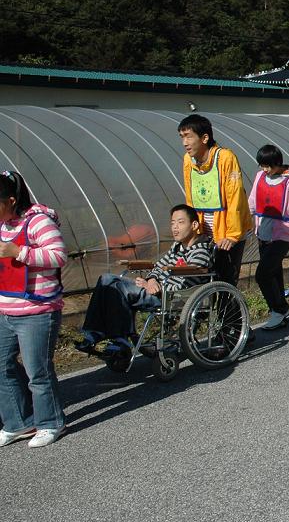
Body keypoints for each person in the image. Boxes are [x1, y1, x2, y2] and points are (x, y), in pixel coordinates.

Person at [77, 204, 214, 352]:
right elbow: (157, 266)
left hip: (171, 296)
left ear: (194, 225)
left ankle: (119, 338)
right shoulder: (177, 247)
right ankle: (94, 332)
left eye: (180, 222)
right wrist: (151, 280)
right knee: (106, 279)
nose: (175, 227)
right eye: (172, 223)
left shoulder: (200, 251)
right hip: (157, 289)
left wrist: (157, 288)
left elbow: (186, 284)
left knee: (117, 288)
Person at [0, 170, 67, 448]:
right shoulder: (3, 225)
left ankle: (51, 423)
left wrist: (19, 252)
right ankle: (19, 422)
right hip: (6, 310)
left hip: (37, 311)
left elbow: (59, 255)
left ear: (12, 200)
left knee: (37, 371)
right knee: (1, 366)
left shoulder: (38, 222)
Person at [179, 114, 251, 287]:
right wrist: (190, 230)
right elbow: (191, 197)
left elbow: (235, 198)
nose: (185, 143)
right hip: (204, 229)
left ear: (204, 138)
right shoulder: (188, 161)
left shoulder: (225, 158)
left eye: (189, 136)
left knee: (225, 281)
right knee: (202, 279)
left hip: (228, 230)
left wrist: (232, 236)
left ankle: (230, 314)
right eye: (182, 137)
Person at [249, 145, 289, 330]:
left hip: (283, 233)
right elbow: (253, 201)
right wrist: (244, 220)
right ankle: (281, 312)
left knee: (262, 274)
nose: (265, 170)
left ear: (277, 164)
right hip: (263, 231)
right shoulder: (260, 176)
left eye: (268, 166)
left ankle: (278, 309)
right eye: (262, 166)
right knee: (274, 271)